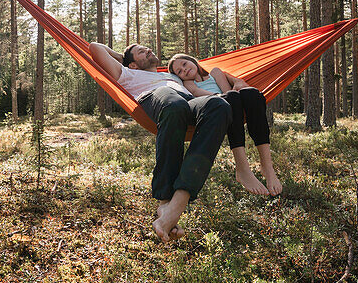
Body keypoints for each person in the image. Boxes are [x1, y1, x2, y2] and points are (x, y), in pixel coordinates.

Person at [89, 42, 233, 243]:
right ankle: (167, 199)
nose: (148, 49)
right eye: (141, 51)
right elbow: (95, 47)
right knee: (175, 106)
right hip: (157, 98)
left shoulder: (173, 75)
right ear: (133, 65)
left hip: (187, 102)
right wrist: (124, 58)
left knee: (220, 106)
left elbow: (201, 78)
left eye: (147, 48)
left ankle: (174, 203)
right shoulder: (126, 73)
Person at [167, 53, 282, 196]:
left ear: (192, 61)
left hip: (234, 101)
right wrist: (220, 97)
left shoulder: (215, 72)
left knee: (252, 93)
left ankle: (267, 167)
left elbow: (234, 85)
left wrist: (238, 83)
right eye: (179, 72)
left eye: (184, 64)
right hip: (217, 108)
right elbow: (197, 92)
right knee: (230, 98)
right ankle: (242, 168)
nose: (184, 70)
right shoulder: (189, 84)